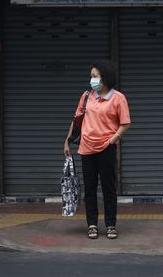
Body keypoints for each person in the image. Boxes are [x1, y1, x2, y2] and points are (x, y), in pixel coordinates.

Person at [64, 60, 131, 240]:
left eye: (95, 76)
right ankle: (92, 224)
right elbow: (77, 120)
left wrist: (112, 140)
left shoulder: (118, 98)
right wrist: (67, 141)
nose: (92, 79)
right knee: (90, 189)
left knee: (108, 188)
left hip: (106, 148)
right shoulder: (86, 96)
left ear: (105, 78)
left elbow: (125, 123)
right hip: (86, 148)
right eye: (91, 76)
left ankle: (110, 225)